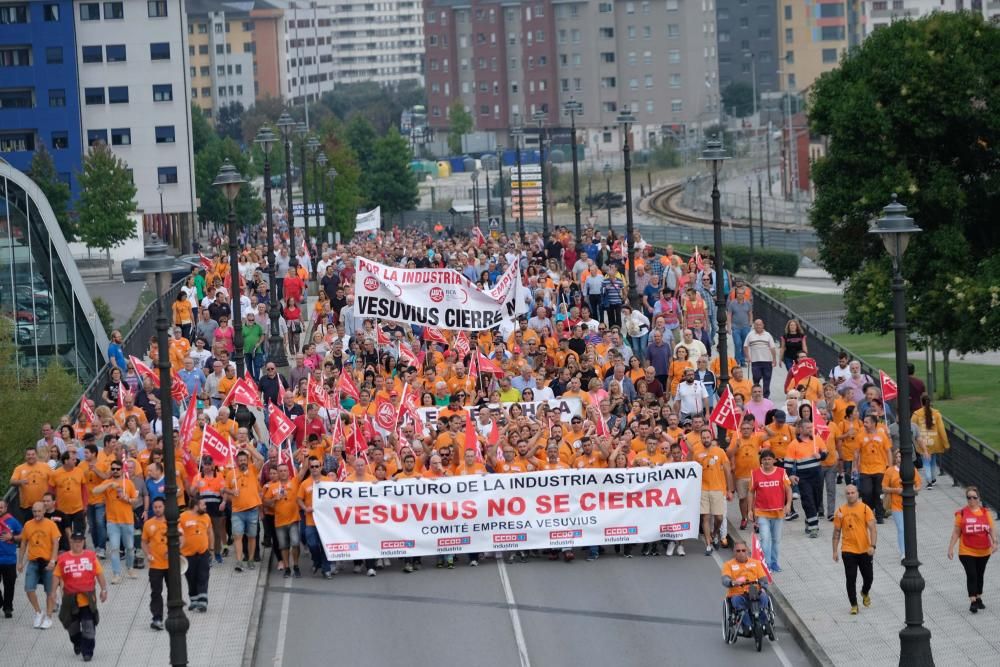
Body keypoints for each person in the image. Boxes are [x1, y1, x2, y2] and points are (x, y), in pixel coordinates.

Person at [51, 530, 108, 662]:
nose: (77, 544)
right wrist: (53, 593)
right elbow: (56, 576)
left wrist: (104, 590)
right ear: (71, 542)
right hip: (70, 599)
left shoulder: (91, 556)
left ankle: (87, 652)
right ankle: (77, 642)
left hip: (87, 598)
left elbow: (99, 574)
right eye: (75, 541)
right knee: (72, 627)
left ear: (83, 542)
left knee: (88, 626)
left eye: (80, 541)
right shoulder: (63, 558)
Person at [947, 485, 998, 613]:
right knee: (972, 574)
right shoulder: (962, 513)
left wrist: (995, 542)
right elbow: (956, 532)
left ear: (979, 498)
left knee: (980, 574)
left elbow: (991, 529)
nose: (971, 500)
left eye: (974, 497)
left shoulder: (986, 513)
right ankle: (973, 601)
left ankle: (979, 597)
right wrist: (951, 548)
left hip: (984, 551)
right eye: (968, 497)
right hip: (966, 550)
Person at [832, 484, 877, 615]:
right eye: (848, 493)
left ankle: (865, 592)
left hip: (864, 550)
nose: (851, 495)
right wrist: (835, 551)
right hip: (848, 550)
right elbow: (836, 532)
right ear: (845, 495)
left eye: (853, 492)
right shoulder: (840, 511)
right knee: (850, 578)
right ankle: (854, 604)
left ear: (857, 493)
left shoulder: (865, 509)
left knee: (869, 577)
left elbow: (873, 529)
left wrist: (872, 546)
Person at [92, 461, 138, 583]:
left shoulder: (128, 483)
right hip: (112, 521)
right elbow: (95, 491)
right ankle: (116, 573)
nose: (115, 471)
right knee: (114, 548)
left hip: (127, 520)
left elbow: (135, 500)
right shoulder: (108, 482)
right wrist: (109, 485)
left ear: (122, 470)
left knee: (129, 547)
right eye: (113, 469)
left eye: (118, 469)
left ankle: (130, 567)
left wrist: (126, 498)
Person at [17, 501, 61, 629]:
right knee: (29, 588)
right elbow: (24, 543)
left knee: (50, 591)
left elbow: (55, 543)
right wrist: (20, 562)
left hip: (47, 562)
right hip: (33, 561)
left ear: (44, 511)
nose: (36, 514)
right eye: (34, 511)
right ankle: (38, 612)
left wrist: (53, 560)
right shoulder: (28, 525)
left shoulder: (51, 524)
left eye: (39, 511)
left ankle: (48, 616)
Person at [748, 450, 792, 572]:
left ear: (774, 460)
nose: (767, 461)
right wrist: (750, 510)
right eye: (764, 459)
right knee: (765, 539)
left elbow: (788, 489)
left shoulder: (781, 472)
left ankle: (774, 562)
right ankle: (765, 564)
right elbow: (751, 492)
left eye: (769, 459)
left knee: (776, 540)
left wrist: (788, 504)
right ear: (761, 461)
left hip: (778, 512)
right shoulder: (755, 474)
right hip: (761, 512)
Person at [226, 447, 265, 571]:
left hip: (252, 510)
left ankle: (251, 559)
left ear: (247, 460)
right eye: (240, 460)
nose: (242, 462)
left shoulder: (253, 469)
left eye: (244, 460)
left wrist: (248, 447)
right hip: (237, 511)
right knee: (238, 536)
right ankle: (239, 561)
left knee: (252, 536)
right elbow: (224, 490)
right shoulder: (230, 473)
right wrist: (232, 491)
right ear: (237, 461)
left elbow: (261, 459)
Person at [721, 540, 770, 633]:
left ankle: (765, 623)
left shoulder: (756, 563)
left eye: (743, 550)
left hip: (755, 592)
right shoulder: (728, 565)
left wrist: (763, 588)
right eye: (738, 551)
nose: (741, 553)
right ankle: (747, 626)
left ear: (747, 551)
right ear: (734, 552)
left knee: (764, 598)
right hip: (738, 593)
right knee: (736, 601)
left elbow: (763, 579)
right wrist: (732, 582)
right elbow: (725, 579)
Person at [697, 437, 733, 556]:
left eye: (708, 437)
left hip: (718, 489)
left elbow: (728, 471)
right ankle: (708, 544)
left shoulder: (720, 451)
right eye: (704, 437)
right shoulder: (697, 452)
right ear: (701, 439)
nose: (706, 439)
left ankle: (715, 533)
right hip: (703, 489)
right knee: (705, 518)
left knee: (719, 518)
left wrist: (730, 490)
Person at [881, 449, 921, 556]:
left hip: (910, 504)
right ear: (895, 458)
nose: (899, 459)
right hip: (895, 504)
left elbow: (918, 485)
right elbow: (884, 487)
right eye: (897, 457)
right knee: (901, 529)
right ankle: (903, 552)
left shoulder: (912, 469)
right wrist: (895, 490)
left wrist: (912, 491)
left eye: (901, 457)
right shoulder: (890, 471)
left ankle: (911, 550)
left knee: (910, 529)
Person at [179, 497, 213, 612]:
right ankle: (193, 600)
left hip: (203, 553)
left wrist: (211, 549)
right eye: (203, 505)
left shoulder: (206, 517)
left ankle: (203, 601)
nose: (205, 507)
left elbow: (210, 532)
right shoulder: (183, 517)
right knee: (191, 578)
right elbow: (179, 533)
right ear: (196, 505)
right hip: (188, 554)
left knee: (203, 576)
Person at [911, 392, 948, 488]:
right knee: (933, 460)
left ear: (921, 402)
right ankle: (933, 478)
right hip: (935, 442)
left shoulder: (916, 414)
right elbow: (941, 430)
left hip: (922, 442)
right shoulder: (936, 414)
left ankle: (929, 481)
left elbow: (912, 427)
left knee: (926, 462)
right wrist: (946, 444)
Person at [743, 319, 778, 398]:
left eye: (760, 324)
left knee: (767, 380)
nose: (758, 326)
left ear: (763, 325)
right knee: (756, 377)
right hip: (755, 361)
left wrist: (774, 359)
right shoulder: (750, 335)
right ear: (754, 326)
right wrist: (747, 357)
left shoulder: (768, 335)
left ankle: (766, 396)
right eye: (756, 324)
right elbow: (745, 346)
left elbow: (772, 348)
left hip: (767, 361)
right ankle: (756, 393)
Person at [0, 498, 23, 618]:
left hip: (9, 559)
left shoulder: (12, 521)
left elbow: (23, 535)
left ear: (6, 507)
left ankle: (8, 608)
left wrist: (12, 537)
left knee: (9, 585)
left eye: (1, 507)